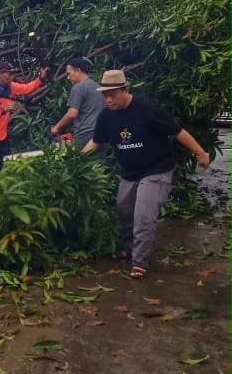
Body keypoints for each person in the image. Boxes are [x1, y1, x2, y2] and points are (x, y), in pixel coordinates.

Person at [81, 69, 210, 279]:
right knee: (124, 210)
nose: (108, 99)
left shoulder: (147, 109)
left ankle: (139, 262)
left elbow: (178, 131)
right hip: (129, 171)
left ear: (124, 90)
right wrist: (75, 159)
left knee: (143, 215)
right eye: (105, 95)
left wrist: (200, 153)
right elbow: (97, 141)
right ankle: (131, 249)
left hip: (156, 168)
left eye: (112, 94)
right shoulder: (106, 115)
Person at [0, 61, 48, 170]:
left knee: (4, 160)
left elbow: (26, 88)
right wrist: (4, 109)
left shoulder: (11, 87)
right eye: (9, 74)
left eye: (12, 74)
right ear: (0, 74)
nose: (12, 77)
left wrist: (40, 79)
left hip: (2, 132)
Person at [50, 56, 105, 149]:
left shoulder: (78, 87)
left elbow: (72, 114)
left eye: (69, 73)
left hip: (86, 134)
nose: (68, 77)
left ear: (78, 71)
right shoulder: (96, 86)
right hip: (102, 134)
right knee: (98, 162)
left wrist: (56, 128)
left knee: (78, 161)